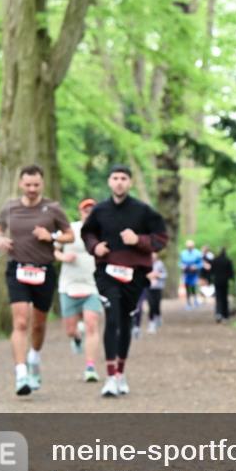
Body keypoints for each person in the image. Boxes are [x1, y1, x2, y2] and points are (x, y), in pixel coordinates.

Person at [81, 164, 169, 397]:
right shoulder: (99, 211)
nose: (119, 182)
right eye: (115, 178)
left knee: (125, 322)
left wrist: (138, 240)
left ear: (129, 182)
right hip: (107, 273)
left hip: (135, 274)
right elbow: (87, 233)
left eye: (123, 178)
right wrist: (95, 247)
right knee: (112, 319)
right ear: (109, 182)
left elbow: (161, 238)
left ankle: (120, 373)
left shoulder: (143, 211)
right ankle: (110, 377)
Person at [0, 165, 73, 395]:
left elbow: (70, 235)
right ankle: (20, 374)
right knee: (20, 322)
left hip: (44, 270)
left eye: (36, 184)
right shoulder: (10, 207)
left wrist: (52, 236)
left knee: (38, 324)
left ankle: (34, 358)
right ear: (20, 184)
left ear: (42, 184)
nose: (32, 189)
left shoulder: (53, 209)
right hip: (17, 269)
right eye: (27, 185)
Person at [54, 197, 102, 383]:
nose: (88, 213)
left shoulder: (102, 230)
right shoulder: (70, 230)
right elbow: (54, 250)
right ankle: (76, 338)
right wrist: (63, 257)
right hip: (69, 285)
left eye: (92, 209)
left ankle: (90, 367)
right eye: (85, 210)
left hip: (93, 285)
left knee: (92, 323)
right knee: (70, 329)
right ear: (80, 211)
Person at [210, 247, 234, 323]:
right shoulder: (228, 261)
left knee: (218, 298)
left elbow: (212, 271)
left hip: (217, 282)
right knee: (224, 298)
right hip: (225, 282)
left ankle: (218, 313)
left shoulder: (215, 260)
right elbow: (231, 273)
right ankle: (225, 315)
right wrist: (232, 279)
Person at [179, 239, 203, 308]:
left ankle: (195, 300)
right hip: (186, 273)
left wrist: (196, 266)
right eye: (188, 246)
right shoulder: (183, 253)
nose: (189, 247)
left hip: (194, 273)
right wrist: (182, 266)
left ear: (193, 246)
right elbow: (180, 262)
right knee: (187, 287)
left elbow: (201, 263)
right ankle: (188, 302)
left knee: (194, 287)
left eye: (190, 246)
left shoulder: (197, 253)